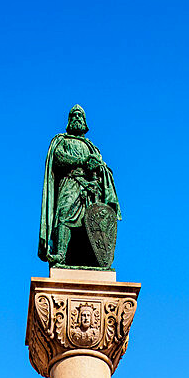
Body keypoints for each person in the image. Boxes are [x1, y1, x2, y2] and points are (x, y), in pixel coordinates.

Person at [38, 105, 121, 266]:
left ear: (84, 122)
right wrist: (83, 161)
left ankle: (94, 259)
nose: (77, 118)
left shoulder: (92, 147)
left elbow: (103, 168)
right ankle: (61, 254)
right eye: (74, 115)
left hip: (91, 188)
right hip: (70, 183)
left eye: (80, 116)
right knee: (64, 216)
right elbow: (59, 158)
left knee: (91, 223)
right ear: (69, 120)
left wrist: (99, 167)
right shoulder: (61, 141)